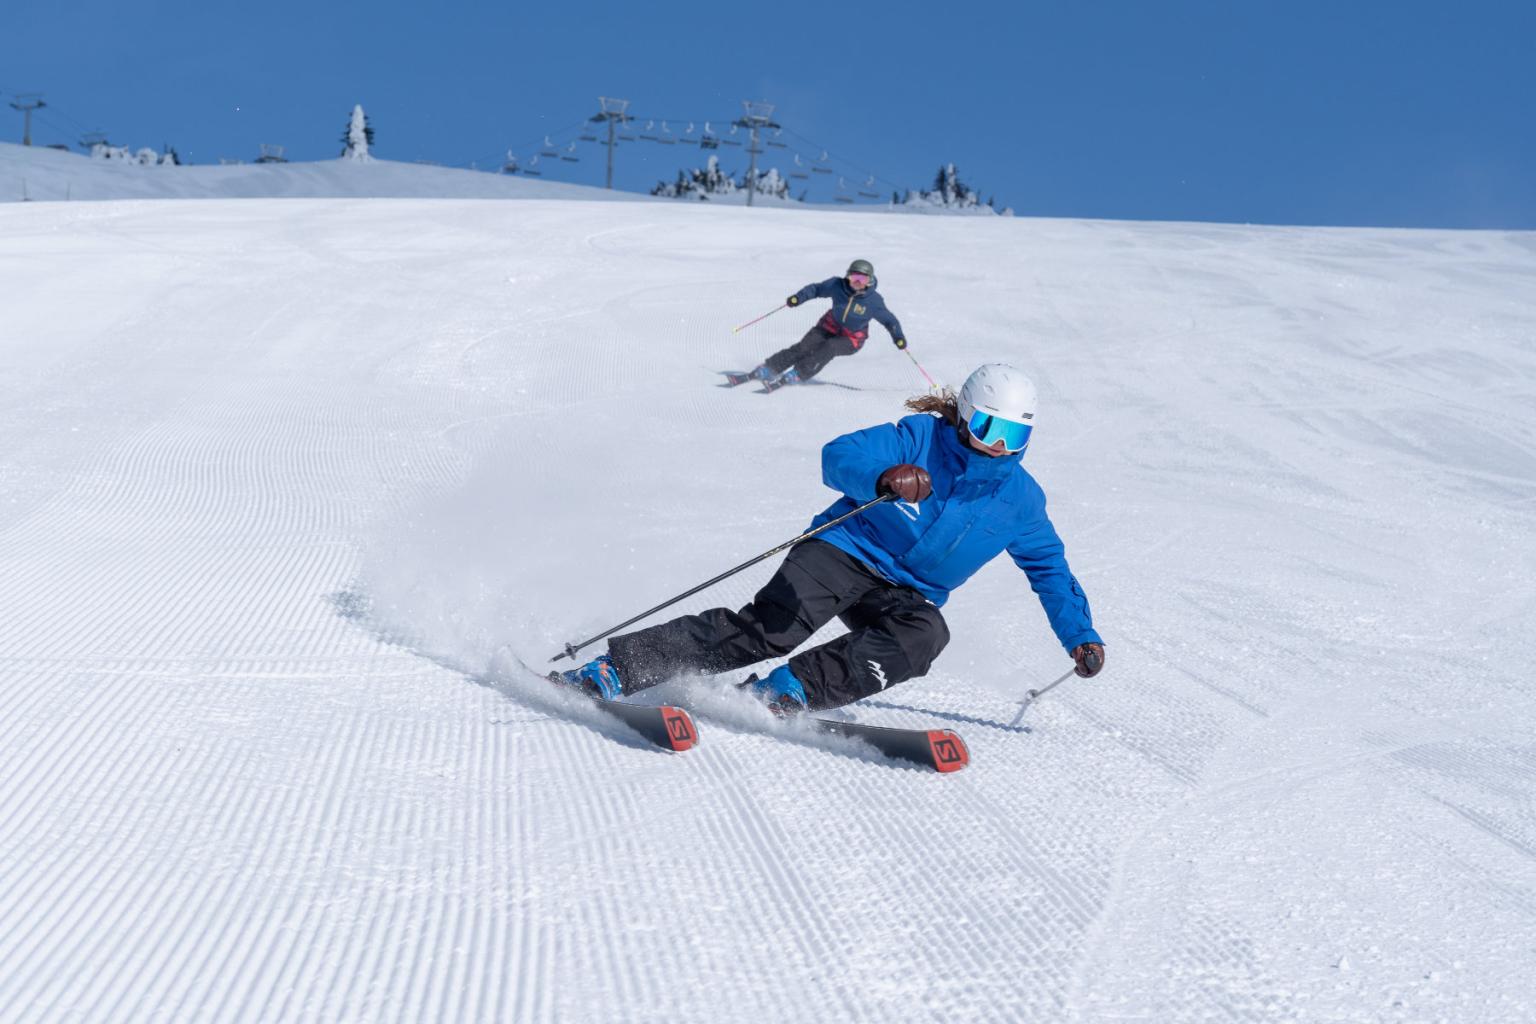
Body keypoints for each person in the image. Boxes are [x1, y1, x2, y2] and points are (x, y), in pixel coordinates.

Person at [557, 363, 1105, 714]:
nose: (999, 447)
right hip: (846, 548)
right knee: (768, 631)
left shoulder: (1022, 500)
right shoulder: (919, 437)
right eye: (989, 429)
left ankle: (789, 689)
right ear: (963, 418)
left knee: (924, 636)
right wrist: (882, 478)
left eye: (1015, 436)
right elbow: (840, 454)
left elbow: (1049, 570)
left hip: (906, 592)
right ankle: (613, 669)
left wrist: (1079, 633)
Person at [747, 259, 908, 386]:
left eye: (862, 278)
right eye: (854, 277)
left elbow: (890, 321)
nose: (857, 282)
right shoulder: (837, 285)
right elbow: (816, 289)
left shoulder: (873, 301)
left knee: (828, 348)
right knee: (804, 347)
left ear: (870, 280)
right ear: (848, 276)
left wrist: (898, 337)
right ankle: (770, 368)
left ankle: (799, 373)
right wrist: (798, 298)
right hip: (829, 325)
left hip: (852, 338)